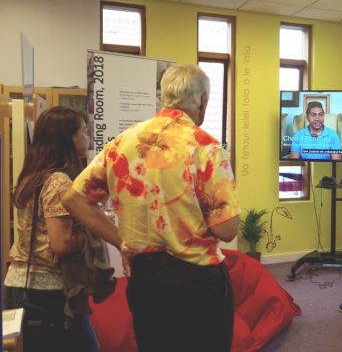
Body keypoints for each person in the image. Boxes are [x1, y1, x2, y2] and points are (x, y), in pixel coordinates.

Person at [62, 64, 241, 352]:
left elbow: (73, 198)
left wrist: (120, 240)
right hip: (197, 282)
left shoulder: (122, 142)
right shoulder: (206, 148)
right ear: (203, 100)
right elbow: (227, 229)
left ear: (163, 97)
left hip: (146, 279)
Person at [2, 107, 101, 352]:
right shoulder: (59, 181)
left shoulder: (31, 176)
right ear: (69, 138)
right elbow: (61, 243)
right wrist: (92, 232)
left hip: (18, 282)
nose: (88, 137)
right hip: (47, 291)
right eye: (83, 132)